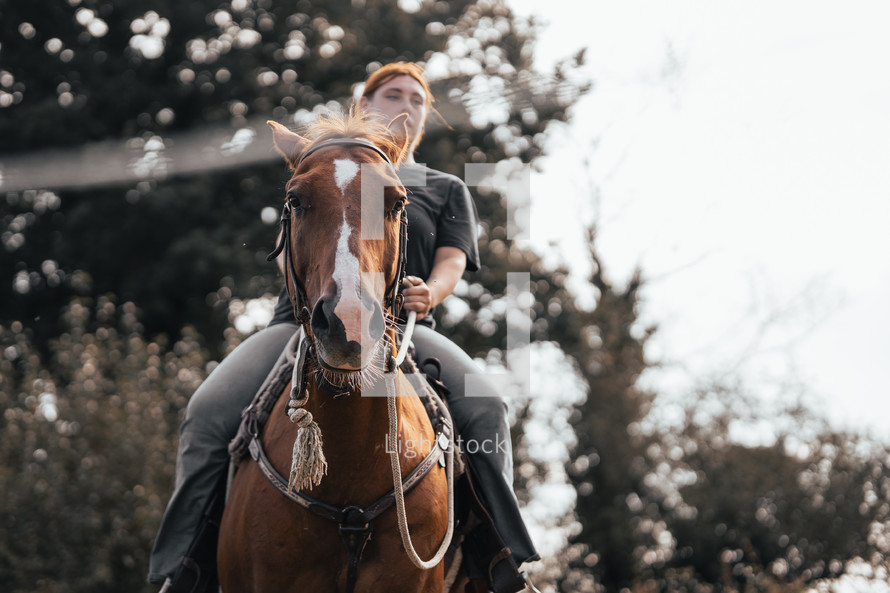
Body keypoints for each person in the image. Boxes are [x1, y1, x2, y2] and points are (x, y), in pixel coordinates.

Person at [149, 61, 538, 592]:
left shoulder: (445, 188)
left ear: (421, 120)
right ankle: (184, 569)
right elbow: (291, 254)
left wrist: (433, 291)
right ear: (365, 106)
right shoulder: (319, 172)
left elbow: (451, 261)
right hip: (300, 324)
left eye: (417, 99)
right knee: (207, 412)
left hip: (403, 325)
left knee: (488, 407)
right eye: (392, 93)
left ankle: (501, 563)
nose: (406, 103)